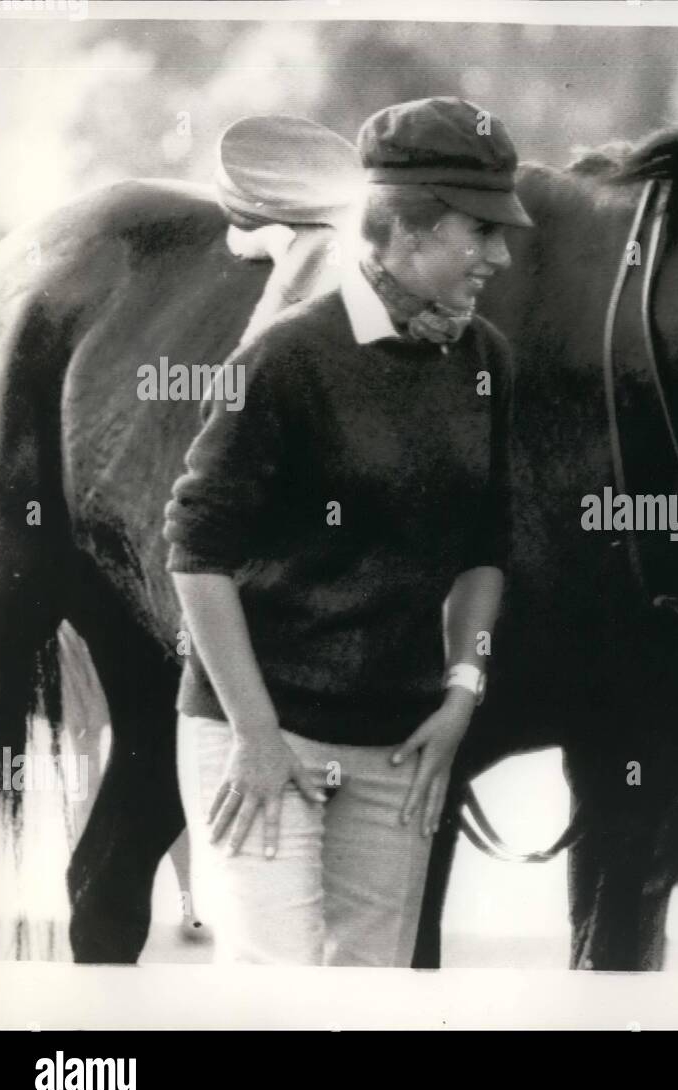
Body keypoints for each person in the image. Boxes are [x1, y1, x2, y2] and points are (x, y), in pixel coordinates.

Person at [164, 97, 532, 966]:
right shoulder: (289, 356)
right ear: (406, 233)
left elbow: (487, 548)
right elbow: (196, 549)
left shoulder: (488, 362)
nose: (501, 255)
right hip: (260, 731)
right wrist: (254, 733)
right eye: (480, 233)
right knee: (280, 999)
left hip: (396, 744)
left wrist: (462, 692)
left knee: (370, 1007)